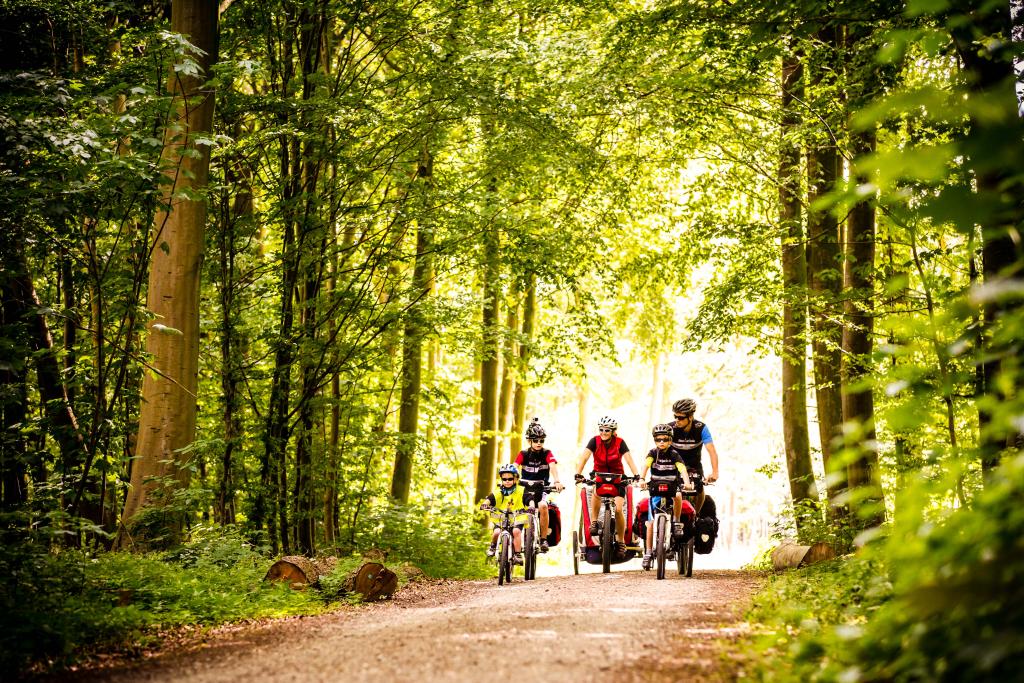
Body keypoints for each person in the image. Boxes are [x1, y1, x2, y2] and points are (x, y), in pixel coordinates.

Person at [573, 415, 641, 551]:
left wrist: (636, 475)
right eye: (601, 429)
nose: (603, 433)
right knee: (595, 489)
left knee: (619, 509)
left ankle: (621, 541)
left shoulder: (620, 442)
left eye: (607, 430)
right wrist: (578, 473)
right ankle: (594, 522)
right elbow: (584, 457)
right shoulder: (594, 441)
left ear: (613, 431)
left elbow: (629, 459)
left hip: (618, 477)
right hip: (599, 474)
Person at [638, 423, 691, 570]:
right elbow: (646, 466)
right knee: (650, 523)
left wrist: (687, 483)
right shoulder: (652, 453)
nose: (661, 442)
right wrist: (642, 479)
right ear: (655, 440)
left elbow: (682, 469)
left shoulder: (674, 454)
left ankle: (676, 522)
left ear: (670, 440)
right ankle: (648, 553)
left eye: (665, 439)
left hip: (672, 486)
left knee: (679, 495)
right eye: (658, 439)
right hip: (656, 487)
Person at [514, 418, 564, 552]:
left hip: (542, 489)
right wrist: (509, 479)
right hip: (524, 490)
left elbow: (552, 466)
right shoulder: (523, 454)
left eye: (541, 440)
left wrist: (557, 481)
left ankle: (543, 539)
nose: (538, 443)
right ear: (529, 441)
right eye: (535, 440)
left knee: (543, 506)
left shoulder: (547, 453)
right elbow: (514, 467)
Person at [670, 398, 719, 514]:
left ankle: (695, 515)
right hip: (674, 464)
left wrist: (715, 472)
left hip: (694, 464)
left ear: (690, 417)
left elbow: (711, 451)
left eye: (681, 418)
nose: (677, 420)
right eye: (675, 416)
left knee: (700, 488)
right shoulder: (670, 428)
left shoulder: (701, 428)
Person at [482, 463, 527, 565]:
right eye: (504, 479)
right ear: (501, 479)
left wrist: (531, 506)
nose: (507, 481)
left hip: (517, 517)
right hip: (501, 518)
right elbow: (490, 499)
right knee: (497, 532)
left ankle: (517, 554)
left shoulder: (521, 490)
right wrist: (485, 504)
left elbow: (529, 499)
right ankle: (493, 547)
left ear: (516, 479)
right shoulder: (498, 491)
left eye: (510, 479)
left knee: (516, 531)